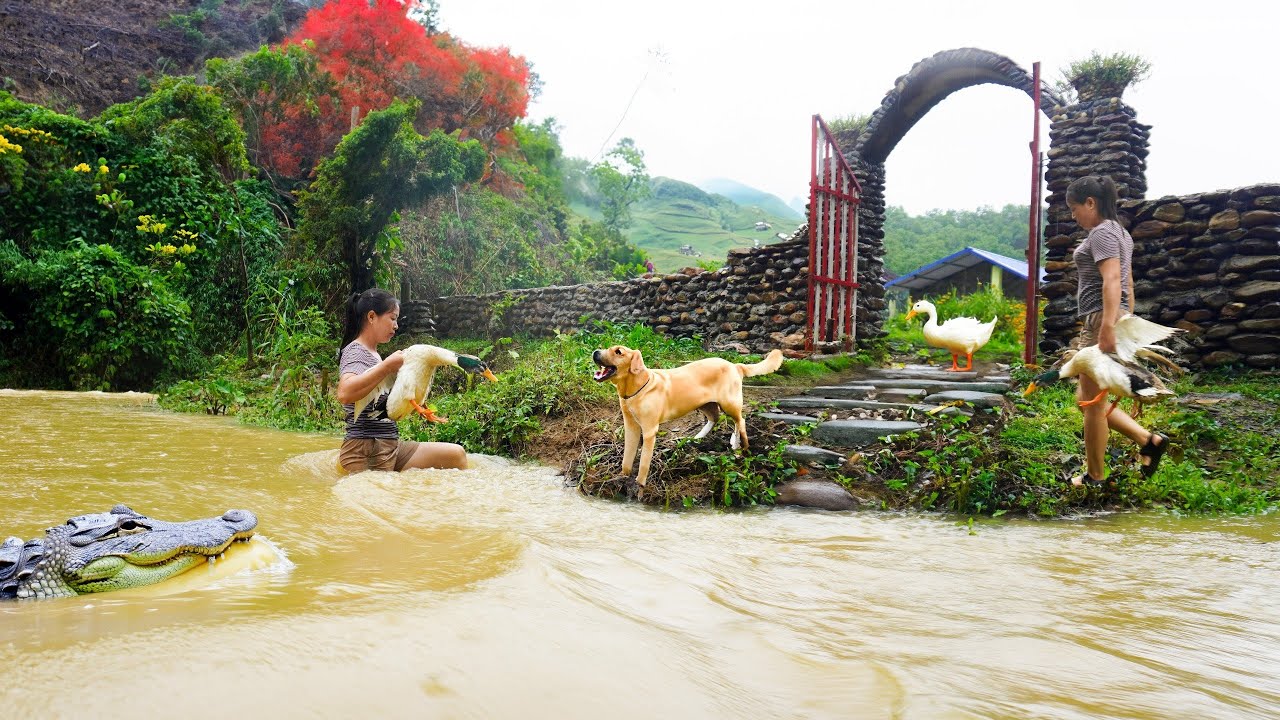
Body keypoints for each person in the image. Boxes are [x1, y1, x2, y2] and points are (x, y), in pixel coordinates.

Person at [1065, 175, 1168, 486]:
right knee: (1088, 397)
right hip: (1112, 318)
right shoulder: (1121, 233)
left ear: (1091, 203)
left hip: (1100, 320)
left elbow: (1113, 281)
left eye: (1074, 208)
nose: (1073, 216)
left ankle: (1094, 476)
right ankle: (1148, 440)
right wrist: (1126, 321)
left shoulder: (1102, 234)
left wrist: (1109, 326)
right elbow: (1129, 284)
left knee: (1091, 404)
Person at [334, 288, 468, 473]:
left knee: (456, 455)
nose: (396, 325)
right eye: (393, 318)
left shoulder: (374, 355)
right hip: (366, 448)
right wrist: (387, 366)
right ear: (372, 317)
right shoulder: (356, 351)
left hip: (390, 445)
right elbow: (345, 393)